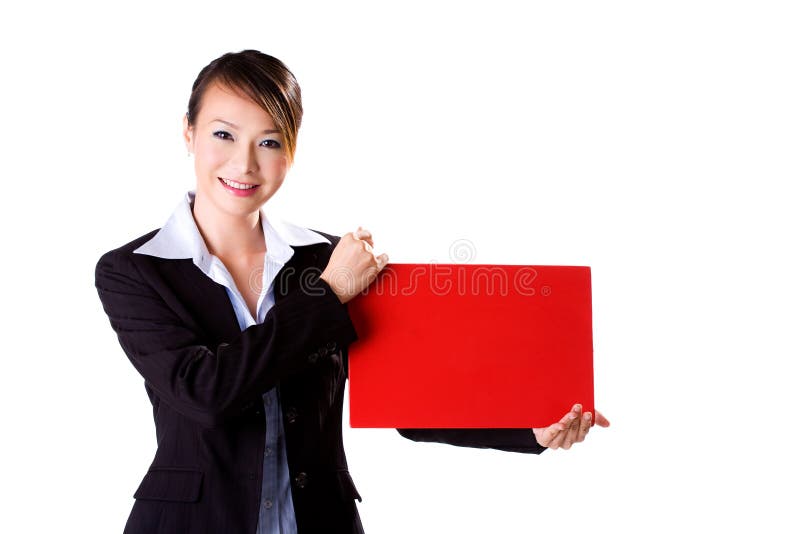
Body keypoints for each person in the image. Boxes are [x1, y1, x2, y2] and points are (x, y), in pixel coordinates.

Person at [94, 49, 609, 534]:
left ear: (291, 152)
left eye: (269, 142)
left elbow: (404, 399)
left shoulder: (330, 258)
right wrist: (328, 294)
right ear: (188, 133)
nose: (245, 163)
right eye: (223, 134)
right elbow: (205, 393)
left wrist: (529, 431)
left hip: (321, 519)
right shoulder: (134, 272)